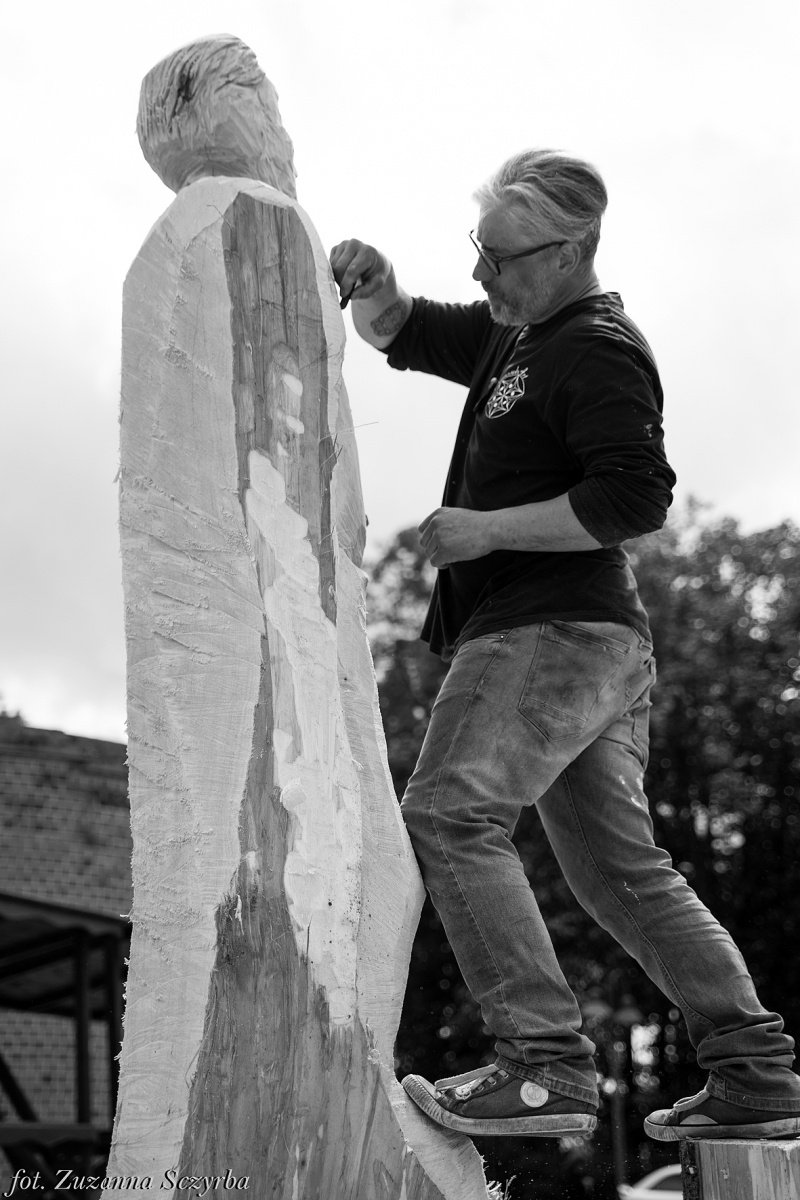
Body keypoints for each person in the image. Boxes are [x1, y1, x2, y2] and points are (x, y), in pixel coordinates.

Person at [329, 149, 800, 1142]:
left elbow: (635, 496)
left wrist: (486, 529)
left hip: (549, 629)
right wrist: (374, 287)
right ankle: (754, 1073)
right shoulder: (517, 331)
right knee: (618, 872)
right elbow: (403, 330)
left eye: (497, 258)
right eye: (475, 249)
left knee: (449, 814)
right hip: (585, 646)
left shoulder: (595, 347)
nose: (478, 275)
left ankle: (542, 1067)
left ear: (567, 253)